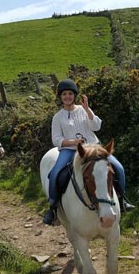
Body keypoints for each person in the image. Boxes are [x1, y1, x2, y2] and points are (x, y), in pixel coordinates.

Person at [43, 79, 134, 225]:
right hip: (70, 151)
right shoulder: (57, 117)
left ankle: (122, 201)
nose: (67, 97)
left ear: (74, 95)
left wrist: (87, 109)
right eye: (64, 94)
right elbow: (56, 139)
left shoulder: (83, 110)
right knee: (55, 174)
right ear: (60, 97)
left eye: (70, 94)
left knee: (118, 168)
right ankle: (53, 208)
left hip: (93, 148)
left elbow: (96, 126)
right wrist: (73, 142)